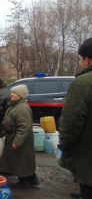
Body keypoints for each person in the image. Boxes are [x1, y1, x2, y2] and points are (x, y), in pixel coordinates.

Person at [59, 38, 92, 199]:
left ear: (87, 60)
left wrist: (64, 146)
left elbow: (71, 121)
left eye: (80, 59)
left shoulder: (82, 83)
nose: (80, 63)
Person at [0, 85, 39, 189]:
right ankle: (32, 180)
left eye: (15, 93)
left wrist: (17, 141)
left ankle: (24, 183)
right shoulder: (15, 105)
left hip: (19, 139)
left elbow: (24, 126)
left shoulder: (22, 108)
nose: (12, 94)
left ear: (21, 95)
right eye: (12, 92)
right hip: (13, 136)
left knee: (21, 161)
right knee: (23, 161)